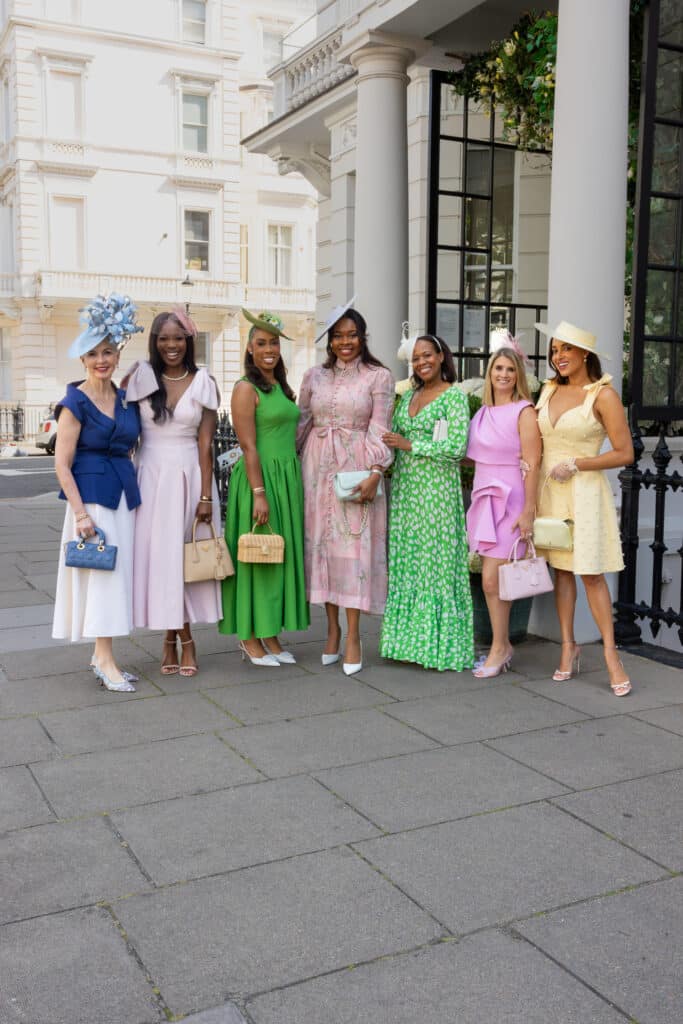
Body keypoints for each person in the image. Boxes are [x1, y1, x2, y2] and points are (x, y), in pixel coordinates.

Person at [535, 320, 634, 696]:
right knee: (561, 571)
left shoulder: (603, 395)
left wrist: (579, 463)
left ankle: (611, 655)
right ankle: (568, 647)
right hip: (550, 490)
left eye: (566, 349)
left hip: (585, 492)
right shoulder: (546, 391)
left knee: (590, 574)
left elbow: (625, 453)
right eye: (555, 350)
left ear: (584, 354)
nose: (558, 356)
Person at [52, 294, 143, 692]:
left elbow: (133, 445)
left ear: (117, 355)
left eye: (107, 351)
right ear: (83, 360)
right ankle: (105, 660)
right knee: (103, 578)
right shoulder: (74, 402)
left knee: (116, 575)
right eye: (93, 354)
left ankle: (101, 655)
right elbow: (61, 463)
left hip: (123, 497)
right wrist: (81, 514)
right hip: (91, 501)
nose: (101, 359)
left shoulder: (125, 399)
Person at [298, 302, 394, 675]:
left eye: (352, 335)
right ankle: (332, 630)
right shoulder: (313, 377)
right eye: (338, 336)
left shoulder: (378, 376)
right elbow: (302, 423)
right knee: (323, 549)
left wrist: (375, 470)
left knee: (352, 551)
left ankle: (354, 635)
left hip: (356, 469)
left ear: (362, 337)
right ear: (329, 341)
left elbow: (380, 428)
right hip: (316, 470)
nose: (345, 342)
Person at [125, 308, 221, 677]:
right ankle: (172, 638)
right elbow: (123, 428)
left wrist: (206, 496)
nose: (171, 345)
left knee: (184, 563)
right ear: (154, 341)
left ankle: (185, 640)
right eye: (164, 338)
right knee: (161, 562)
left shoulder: (203, 382)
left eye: (178, 338)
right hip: (149, 477)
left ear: (189, 341)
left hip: (189, 477)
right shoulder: (141, 377)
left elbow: (206, 443)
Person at [218, 309, 309, 665]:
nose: (269, 349)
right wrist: (259, 493)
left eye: (273, 343)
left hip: (286, 480)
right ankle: (248, 636)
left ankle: (270, 633)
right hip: (260, 481)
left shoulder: (281, 388)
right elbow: (249, 446)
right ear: (250, 349)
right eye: (261, 343)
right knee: (255, 557)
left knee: (275, 556)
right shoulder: (245, 388)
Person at [380, 333, 474, 671]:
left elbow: (456, 448)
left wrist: (410, 445)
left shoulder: (454, 397)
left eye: (427, 355)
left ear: (441, 356)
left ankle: (437, 646)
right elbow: (389, 435)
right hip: (406, 492)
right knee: (409, 559)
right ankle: (407, 644)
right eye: (416, 358)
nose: (421, 362)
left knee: (435, 564)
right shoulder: (408, 397)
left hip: (436, 495)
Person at [466, 335, 542, 677]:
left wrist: (528, 511)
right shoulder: (482, 412)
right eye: (498, 367)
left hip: (511, 500)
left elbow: (533, 463)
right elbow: (468, 458)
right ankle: (502, 645)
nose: (504, 373)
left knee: (494, 579)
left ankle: (500, 647)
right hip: (484, 497)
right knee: (489, 579)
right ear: (490, 373)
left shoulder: (524, 412)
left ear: (518, 375)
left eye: (510, 368)